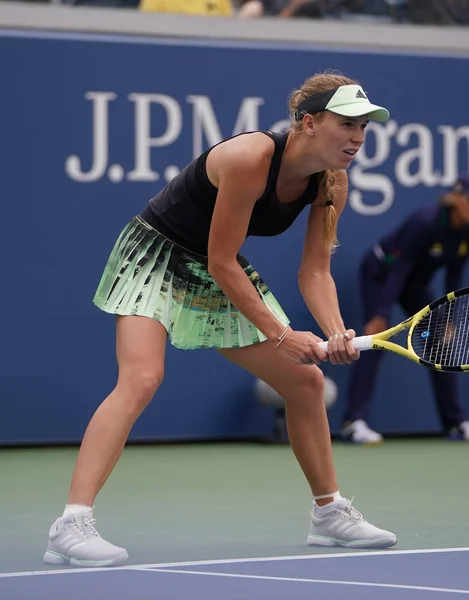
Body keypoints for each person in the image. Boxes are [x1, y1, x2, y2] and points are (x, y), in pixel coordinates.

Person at [43, 72, 398, 568]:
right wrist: (282, 333)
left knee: (306, 383)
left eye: (364, 126)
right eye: (347, 124)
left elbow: (315, 270)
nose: (358, 137)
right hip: (157, 255)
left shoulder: (332, 181)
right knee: (142, 378)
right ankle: (71, 524)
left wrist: (336, 332)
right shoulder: (249, 157)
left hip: (215, 264)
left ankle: (329, 513)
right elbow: (222, 262)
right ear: (310, 123)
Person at [342, 174, 469, 445]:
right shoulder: (425, 223)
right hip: (381, 274)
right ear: (456, 200)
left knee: (440, 348)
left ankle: (455, 422)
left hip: (414, 284)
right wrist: (380, 314)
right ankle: (355, 421)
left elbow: (454, 278)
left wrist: (449, 318)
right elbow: (399, 269)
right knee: (375, 343)